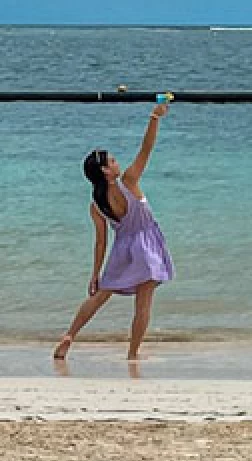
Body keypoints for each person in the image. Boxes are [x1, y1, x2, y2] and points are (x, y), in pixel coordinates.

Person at [53, 100, 173, 362]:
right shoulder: (129, 182)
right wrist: (155, 117)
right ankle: (132, 353)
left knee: (100, 296)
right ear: (106, 171)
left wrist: (95, 274)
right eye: (113, 161)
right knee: (143, 305)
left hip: (122, 249)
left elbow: (100, 243)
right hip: (146, 247)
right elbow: (147, 149)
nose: (117, 163)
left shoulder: (96, 204)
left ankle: (70, 335)